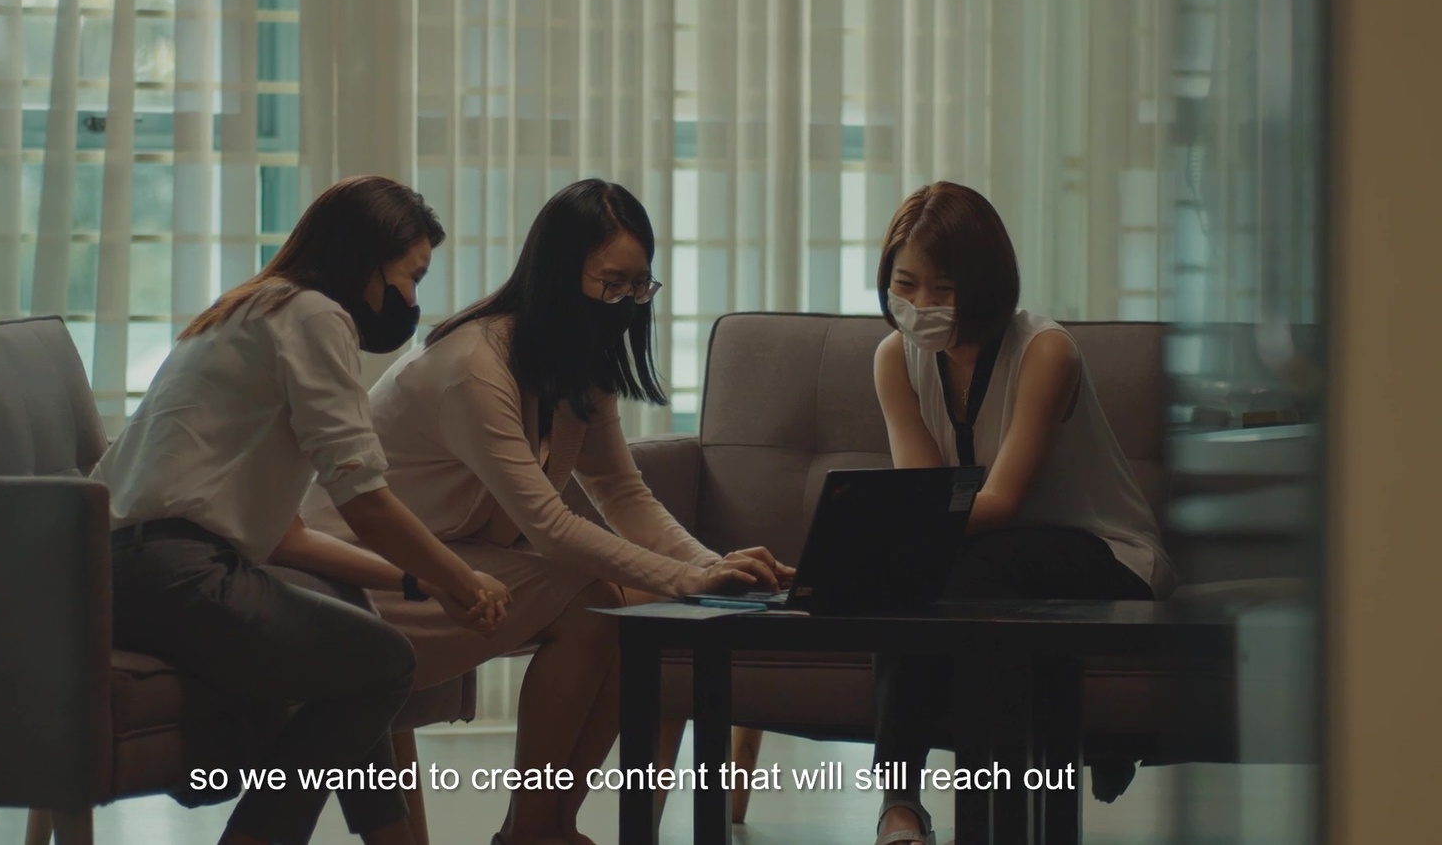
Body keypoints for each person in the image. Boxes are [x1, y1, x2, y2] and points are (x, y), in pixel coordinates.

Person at [302, 178, 792, 845]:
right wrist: (694, 581)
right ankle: (535, 831)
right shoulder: (475, 366)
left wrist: (711, 565)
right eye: (609, 282)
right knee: (592, 595)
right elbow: (549, 527)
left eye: (637, 286)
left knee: (631, 602)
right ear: (561, 275)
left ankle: (547, 825)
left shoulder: (576, 364)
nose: (623, 302)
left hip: (451, 552)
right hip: (364, 572)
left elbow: (623, 493)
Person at [91, 175, 511, 845]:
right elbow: (365, 499)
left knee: (357, 649)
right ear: (370, 258)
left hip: (121, 571)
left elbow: (285, 537)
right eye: (413, 273)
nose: (412, 297)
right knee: (385, 663)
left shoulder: (244, 309)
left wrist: (417, 579)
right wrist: (462, 581)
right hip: (179, 574)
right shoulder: (315, 315)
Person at [867, 182, 1177, 845]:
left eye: (943, 288)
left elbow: (1001, 502)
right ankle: (900, 805)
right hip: (993, 562)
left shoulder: (1045, 351)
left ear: (984, 284)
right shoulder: (894, 359)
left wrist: (907, 532)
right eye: (906, 283)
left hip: (1106, 557)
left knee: (976, 560)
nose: (921, 305)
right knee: (928, 572)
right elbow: (928, 504)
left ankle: (994, 815)